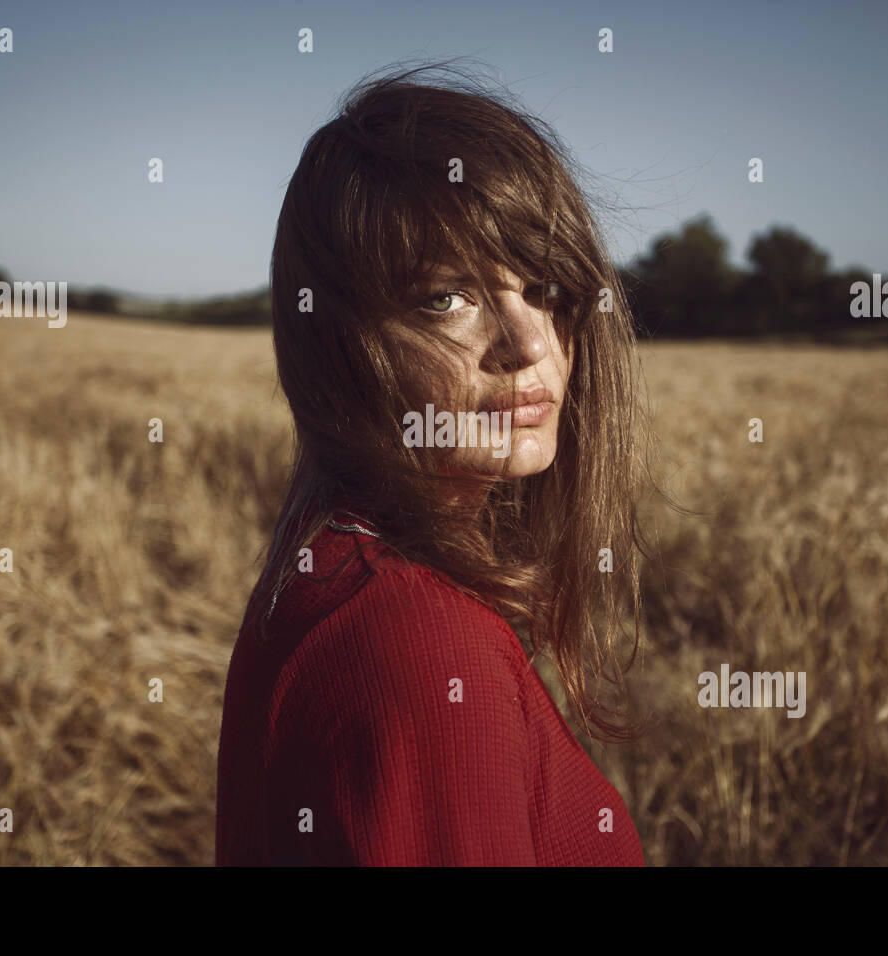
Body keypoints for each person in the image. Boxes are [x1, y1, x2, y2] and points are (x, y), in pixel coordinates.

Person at [216, 61, 655, 866]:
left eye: (546, 285)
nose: (530, 347)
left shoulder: (333, 564)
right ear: (341, 342)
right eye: (446, 298)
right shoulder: (418, 648)